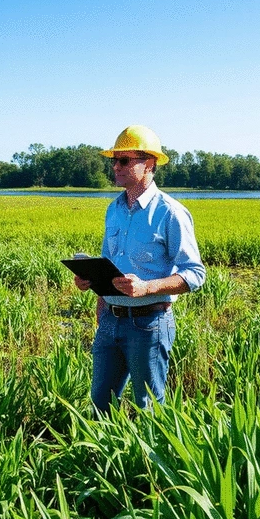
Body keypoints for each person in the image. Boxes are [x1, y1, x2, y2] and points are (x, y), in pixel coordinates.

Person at [74, 125, 206, 414]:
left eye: (124, 160)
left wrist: (147, 287)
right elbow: (109, 261)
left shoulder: (170, 212)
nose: (115, 167)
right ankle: (102, 458)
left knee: (148, 408)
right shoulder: (114, 209)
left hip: (149, 324)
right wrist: (93, 285)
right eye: (114, 160)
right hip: (109, 320)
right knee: (100, 404)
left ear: (149, 164)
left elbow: (195, 274)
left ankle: (146, 459)